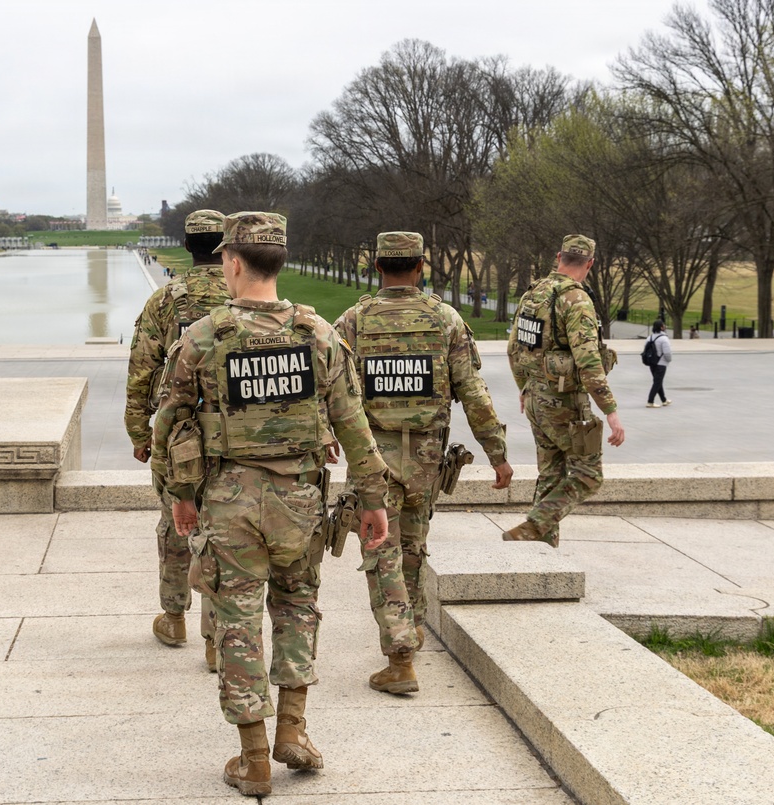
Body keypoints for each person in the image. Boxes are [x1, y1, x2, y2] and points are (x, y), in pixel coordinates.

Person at [151, 211, 390, 797]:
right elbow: (354, 425)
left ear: (232, 262)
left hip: (228, 501)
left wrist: (179, 495)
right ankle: (294, 731)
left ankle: (253, 757)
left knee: (236, 620)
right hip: (300, 500)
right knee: (298, 608)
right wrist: (374, 500)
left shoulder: (203, 337)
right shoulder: (320, 335)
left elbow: (169, 422)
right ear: (278, 262)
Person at [333, 231, 513, 694]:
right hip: (428, 456)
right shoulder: (445, 319)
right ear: (420, 267)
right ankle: (406, 640)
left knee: (381, 548)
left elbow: (328, 390)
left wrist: (322, 442)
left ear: (377, 268)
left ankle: (400, 653)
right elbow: (473, 391)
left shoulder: (354, 320)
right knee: (411, 547)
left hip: (373, 454)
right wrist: (498, 454)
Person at [124, 210, 231, 671]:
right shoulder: (245, 298)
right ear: (226, 247)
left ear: (187, 246)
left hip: (178, 436)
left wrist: (139, 431)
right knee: (221, 533)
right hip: (233, 436)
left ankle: (174, 617)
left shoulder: (166, 301)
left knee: (176, 526)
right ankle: (215, 638)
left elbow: (142, 370)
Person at [503, 234, 624, 547]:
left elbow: (514, 347)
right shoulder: (576, 300)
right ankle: (536, 525)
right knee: (588, 474)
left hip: (534, 398)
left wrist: (524, 387)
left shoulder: (534, 293)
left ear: (559, 256)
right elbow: (588, 361)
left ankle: (541, 547)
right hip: (564, 403)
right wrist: (610, 411)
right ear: (590, 263)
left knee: (551, 474)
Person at [645, 319, 672, 407]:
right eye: (664, 325)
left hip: (652, 362)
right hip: (661, 363)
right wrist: (669, 360)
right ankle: (650, 401)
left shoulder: (650, 337)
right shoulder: (664, 339)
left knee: (658, 381)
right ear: (661, 327)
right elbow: (667, 352)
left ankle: (664, 399)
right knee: (657, 382)